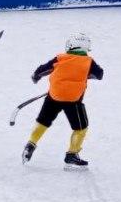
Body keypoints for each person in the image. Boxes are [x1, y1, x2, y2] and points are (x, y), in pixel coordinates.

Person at [22, 32, 104, 168]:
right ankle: (72, 154)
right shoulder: (89, 61)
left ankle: (31, 144)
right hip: (73, 100)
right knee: (81, 128)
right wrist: (84, 75)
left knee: (43, 121)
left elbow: (42, 69)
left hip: (53, 96)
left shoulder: (60, 58)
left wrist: (35, 77)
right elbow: (99, 74)